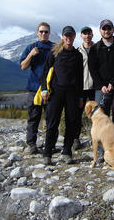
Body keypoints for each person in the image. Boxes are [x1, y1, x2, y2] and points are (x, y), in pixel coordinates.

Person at [41, 26, 83, 165]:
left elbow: (80, 77)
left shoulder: (78, 55)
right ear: (63, 37)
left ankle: (67, 151)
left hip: (72, 93)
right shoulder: (55, 52)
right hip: (56, 92)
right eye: (66, 36)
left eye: (71, 36)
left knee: (71, 122)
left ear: (74, 36)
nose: (68, 38)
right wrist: (44, 89)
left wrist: (81, 97)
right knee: (53, 122)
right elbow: (45, 72)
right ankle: (47, 153)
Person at [20, 22, 54, 154]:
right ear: (37, 33)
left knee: (51, 118)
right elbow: (23, 66)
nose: (43, 34)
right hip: (34, 89)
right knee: (33, 118)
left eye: (46, 31)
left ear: (49, 33)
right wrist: (30, 55)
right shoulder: (31, 47)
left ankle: (49, 145)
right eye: (41, 31)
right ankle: (31, 144)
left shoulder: (55, 48)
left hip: (51, 89)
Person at [73, 26, 95, 150]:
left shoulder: (97, 49)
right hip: (80, 87)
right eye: (84, 34)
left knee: (95, 114)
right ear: (81, 36)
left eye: (89, 33)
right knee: (78, 114)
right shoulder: (77, 51)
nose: (87, 36)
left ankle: (95, 138)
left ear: (92, 35)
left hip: (94, 86)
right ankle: (76, 139)